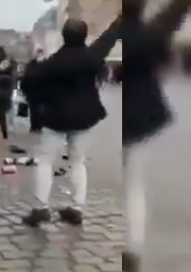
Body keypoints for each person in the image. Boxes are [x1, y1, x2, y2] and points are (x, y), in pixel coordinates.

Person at [120, 0, 191, 272]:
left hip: (126, 114)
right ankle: (132, 248)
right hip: (143, 113)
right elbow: (164, 60)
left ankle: (131, 249)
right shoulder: (151, 35)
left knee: (131, 182)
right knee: (134, 185)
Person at [19, 16, 119, 227]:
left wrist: (34, 64)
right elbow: (108, 38)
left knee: (46, 161)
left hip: (56, 118)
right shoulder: (92, 56)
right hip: (84, 117)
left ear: (64, 36)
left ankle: (41, 208)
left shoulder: (53, 62)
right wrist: (120, 19)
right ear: (84, 36)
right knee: (77, 161)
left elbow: (28, 83)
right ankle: (76, 208)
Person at [22, 48, 46, 133]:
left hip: (42, 91)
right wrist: (23, 89)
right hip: (32, 91)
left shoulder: (46, 65)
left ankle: (39, 126)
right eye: (38, 55)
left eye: (40, 55)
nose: (39, 56)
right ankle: (34, 126)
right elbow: (25, 77)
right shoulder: (31, 65)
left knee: (41, 109)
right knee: (33, 109)